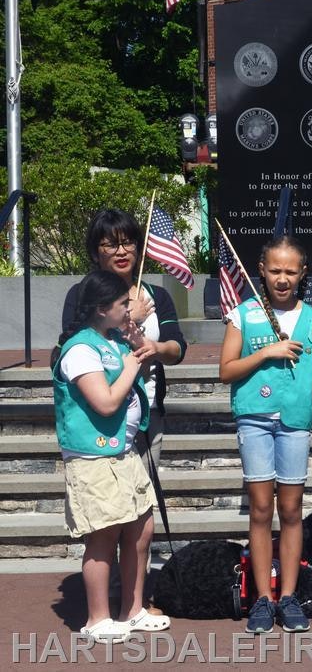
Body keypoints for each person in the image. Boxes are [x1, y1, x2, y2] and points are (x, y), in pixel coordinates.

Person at [219, 235, 312, 634]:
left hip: (294, 421)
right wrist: (265, 353)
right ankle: (262, 598)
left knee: (291, 509)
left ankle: (288, 596)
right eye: (275, 270)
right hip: (254, 418)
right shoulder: (245, 314)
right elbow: (226, 370)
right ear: (262, 271)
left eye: (291, 271)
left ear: (303, 273)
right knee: (260, 508)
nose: (283, 278)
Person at [52, 270, 171, 643]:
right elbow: (104, 402)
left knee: (141, 529)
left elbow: (142, 365)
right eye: (123, 305)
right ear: (103, 308)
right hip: (94, 458)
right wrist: (133, 364)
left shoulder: (115, 340)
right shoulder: (80, 348)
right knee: (103, 537)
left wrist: (138, 345)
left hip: (125, 452)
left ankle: (132, 610)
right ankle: (97, 617)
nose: (129, 310)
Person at [62, 209, 188, 479]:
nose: (121, 251)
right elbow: (72, 342)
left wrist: (157, 349)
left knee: (144, 499)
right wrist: (129, 317)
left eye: (128, 242)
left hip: (147, 410)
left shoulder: (158, 295)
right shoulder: (81, 294)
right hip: (98, 415)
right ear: (96, 253)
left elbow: (177, 348)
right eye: (110, 244)